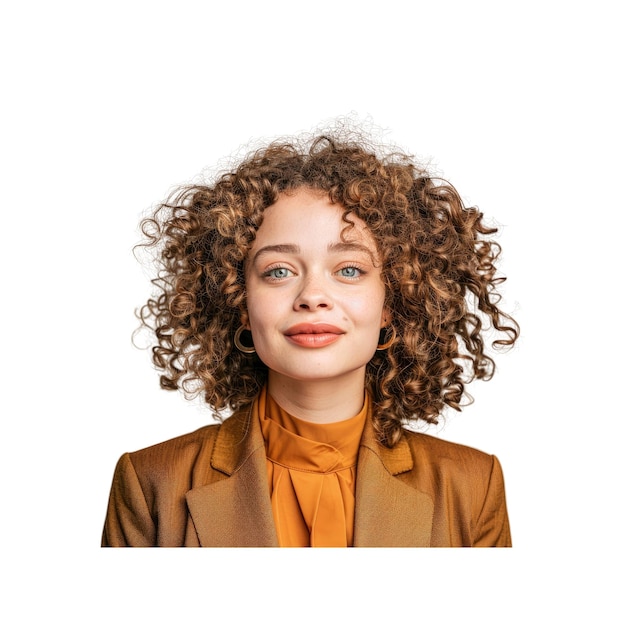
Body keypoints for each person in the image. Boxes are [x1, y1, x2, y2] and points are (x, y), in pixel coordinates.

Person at [102, 124, 520, 547]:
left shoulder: (472, 487)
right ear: (240, 302)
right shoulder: (149, 482)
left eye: (349, 270)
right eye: (278, 271)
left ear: (392, 302)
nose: (313, 297)